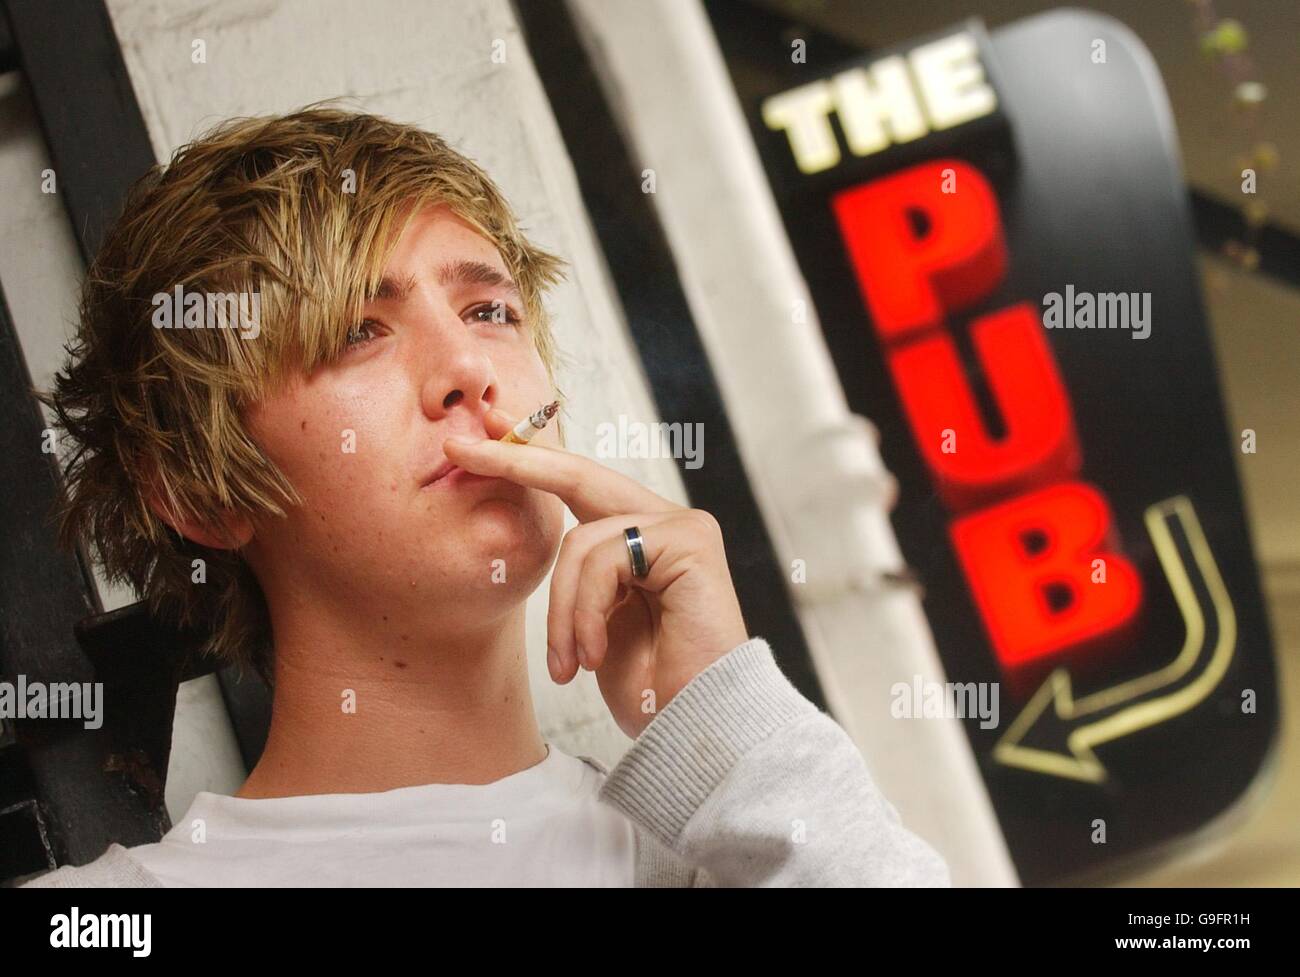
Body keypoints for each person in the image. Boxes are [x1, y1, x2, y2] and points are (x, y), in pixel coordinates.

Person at [23, 104, 950, 887]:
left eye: (488, 310)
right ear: (198, 489)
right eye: (356, 330)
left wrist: (728, 727)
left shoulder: (724, 857)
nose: (469, 368)